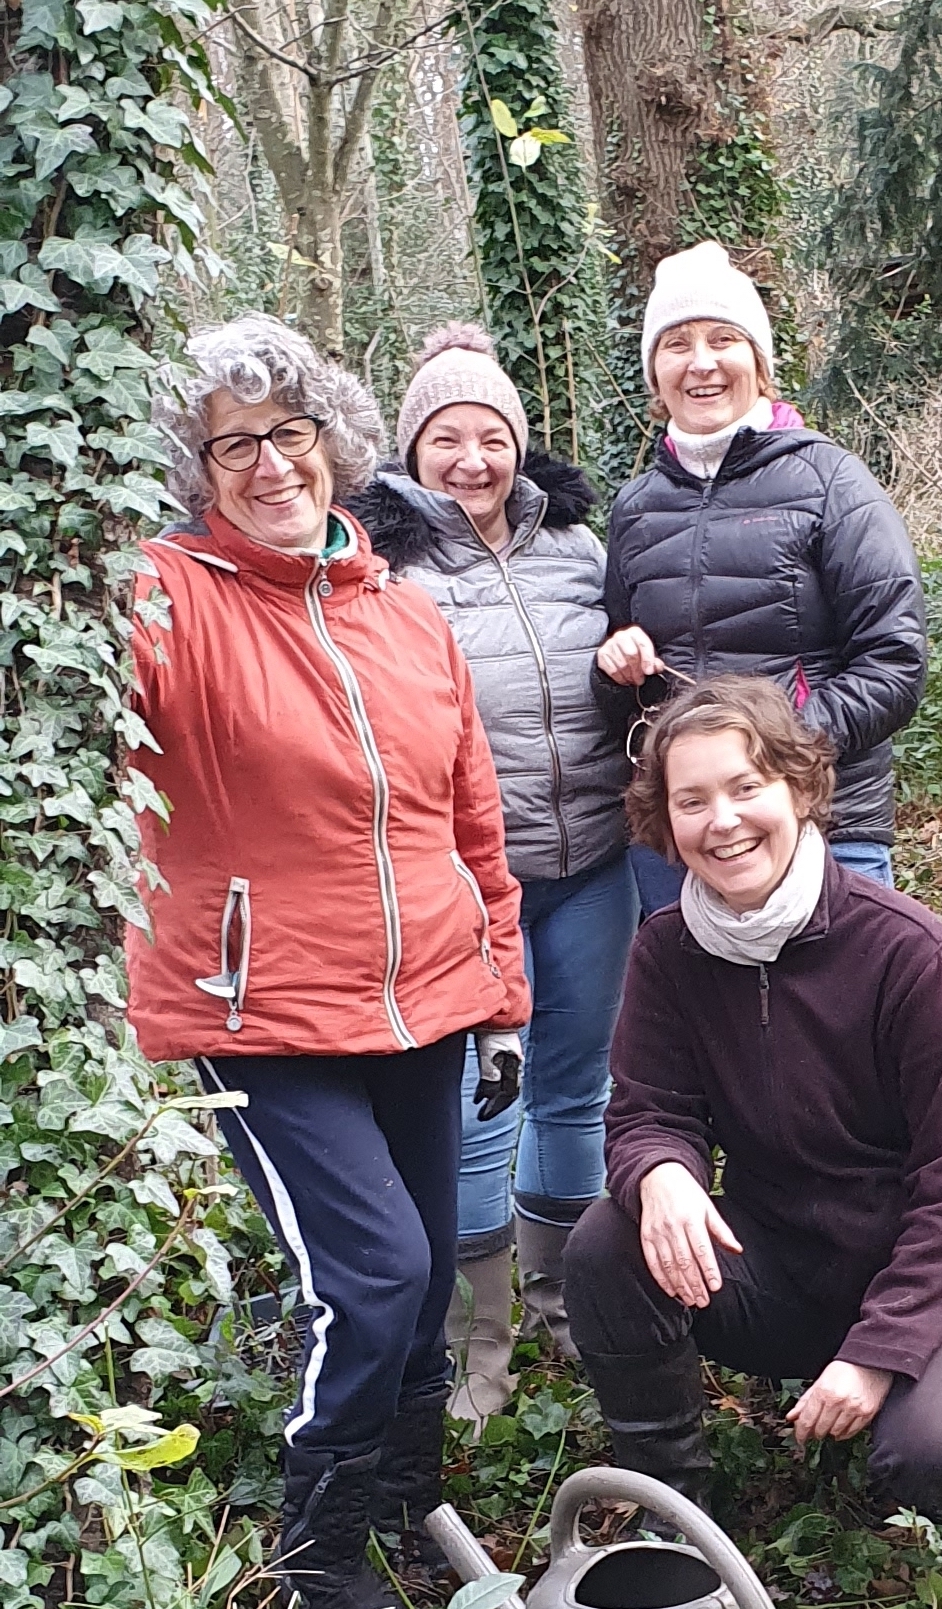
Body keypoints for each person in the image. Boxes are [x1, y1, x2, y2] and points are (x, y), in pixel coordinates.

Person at [133, 315, 532, 1609]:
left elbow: (474, 819)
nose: (267, 464)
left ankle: (405, 1493)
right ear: (197, 471)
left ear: (334, 442)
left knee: (419, 1294)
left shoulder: (408, 618)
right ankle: (320, 1549)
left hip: (425, 1002)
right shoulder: (168, 596)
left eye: (289, 433)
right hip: (262, 1017)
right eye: (231, 444)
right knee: (374, 1281)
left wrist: (506, 997)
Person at [565, 676, 942, 1522]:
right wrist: (661, 1171)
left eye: (747, 787)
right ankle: (675, 1506)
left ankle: (921, 1399)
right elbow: (646, 1112)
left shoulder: (910, 954)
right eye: (693, 799)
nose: (723, 821)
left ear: (799, 787)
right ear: (663, 823)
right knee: (608, 1238)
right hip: (782, 1267)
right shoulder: (667, 950)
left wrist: (877, 1353)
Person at [347, 326, 637, 1422]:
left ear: (520, 445)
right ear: (413, 450)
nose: (472, 459)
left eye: (492, 436)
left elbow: (626, 656)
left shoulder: (575, 545)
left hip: (596, 858)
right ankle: (479, 1345)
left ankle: (568, 1301)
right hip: (473, 881)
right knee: (482, 1101)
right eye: (447, 437)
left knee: (577, 1083)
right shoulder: (382, 565)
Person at [596, 240, 926, 909]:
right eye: (676, 344)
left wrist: (771, 756)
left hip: (825, 825)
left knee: (840, 1015)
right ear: (656, 375)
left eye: (723, 338)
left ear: (760, 363)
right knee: (703, 1017)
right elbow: (624, 698)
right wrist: (613, 669)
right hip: (686, 843)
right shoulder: (635, 508)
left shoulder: (831, 481)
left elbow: (895, 664)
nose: (702, 362)